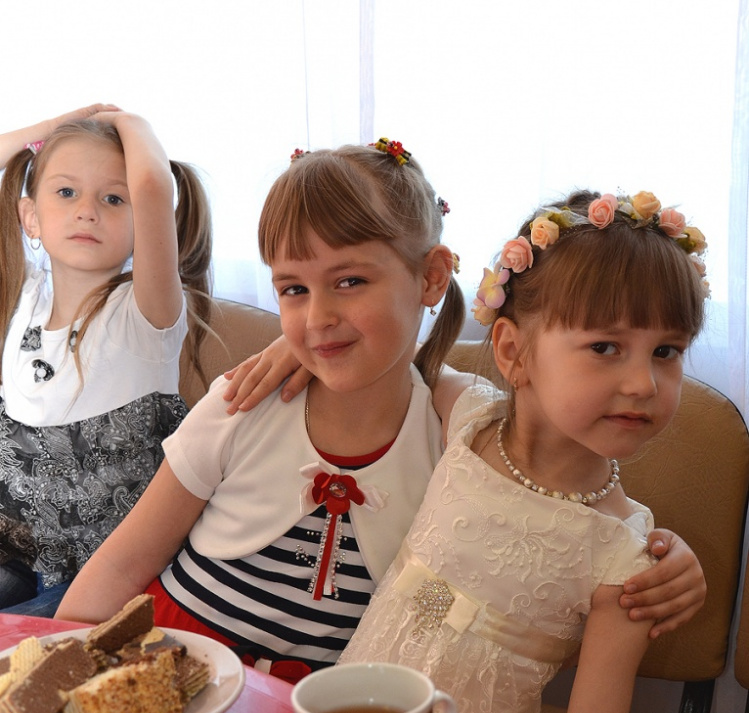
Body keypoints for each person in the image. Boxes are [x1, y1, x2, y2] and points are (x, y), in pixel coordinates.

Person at [58, 144, 704, 677]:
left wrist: (657, 551)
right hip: (164, 672)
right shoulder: (243, 401)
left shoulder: (461, 431)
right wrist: (58, 672)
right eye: (294, 289)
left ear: (431, 277)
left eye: (350, 282)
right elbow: (123, 562)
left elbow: (558, 469)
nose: (318, 316)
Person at [339, 189, 709, 713]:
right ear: (511, 350)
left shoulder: (622, 558)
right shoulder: (464, 418)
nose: (643, 382)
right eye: (605, 346)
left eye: (667, 351)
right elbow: (375, 352)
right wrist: (282, 355)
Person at [0, 104, 213, 614]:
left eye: (114, 198)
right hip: (19, 556)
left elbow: (154, 187)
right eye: (66, 192)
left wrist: (130, 122)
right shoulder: (25, 298)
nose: (87, 211)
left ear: (144, 224)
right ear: (30, 216)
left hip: (107, 578)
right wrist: (50, 129)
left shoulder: (145, 317)